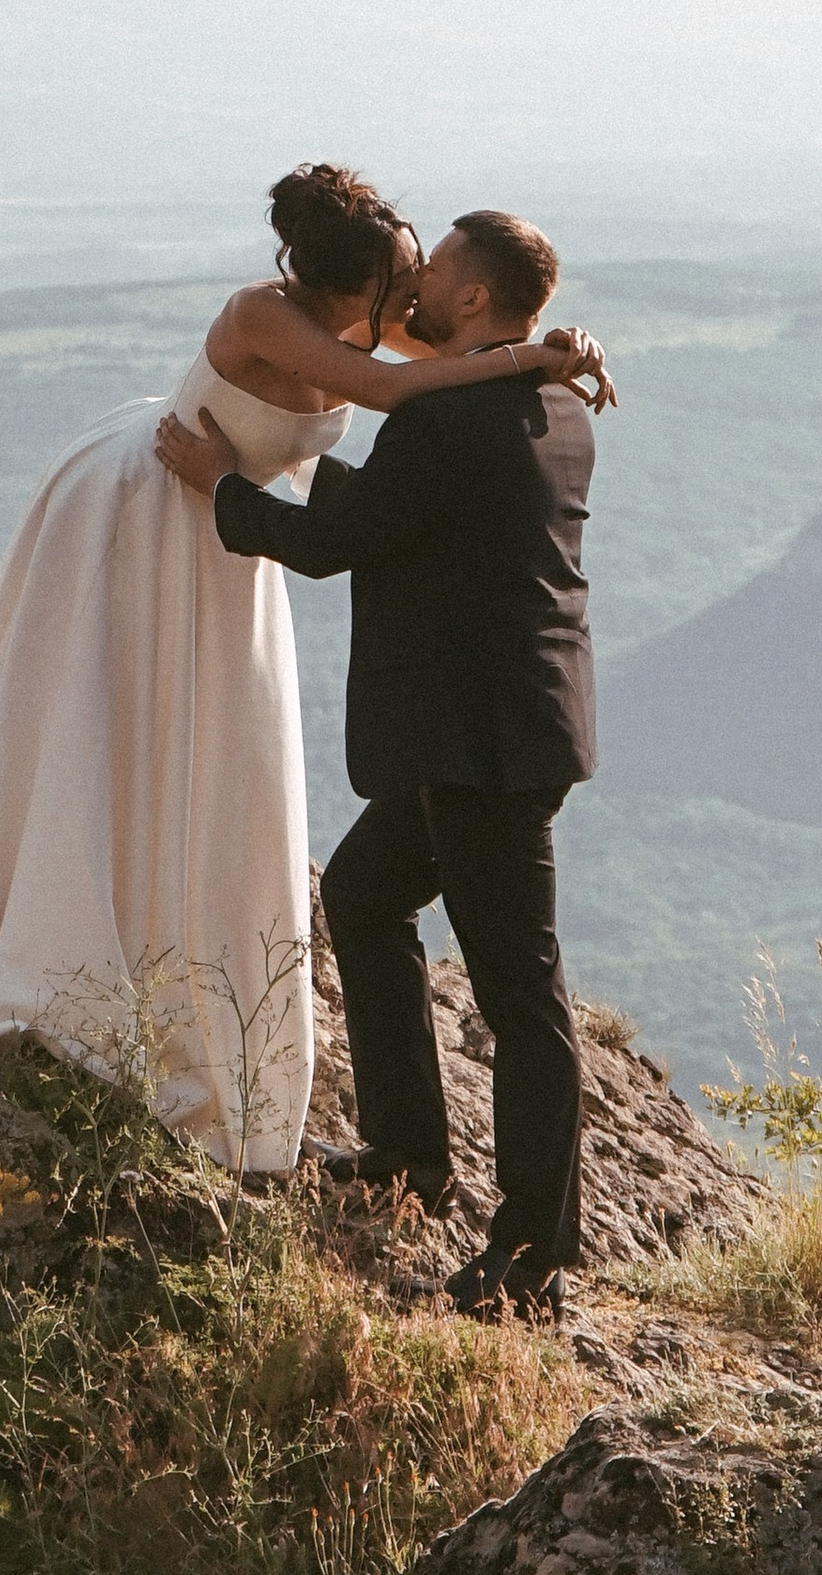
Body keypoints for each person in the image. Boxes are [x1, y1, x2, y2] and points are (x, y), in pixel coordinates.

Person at [0, 166, 607, 1173]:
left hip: (226, 539)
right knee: (101, 732)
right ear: (362, 282)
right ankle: (70, 924)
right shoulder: (271, 317)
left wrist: (545, 351)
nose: (413, 297)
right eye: (403, 277)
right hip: (149, 509)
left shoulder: (385, 324)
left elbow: (438, 360)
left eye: (427, 275)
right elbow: (397, 385)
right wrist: (538, 356)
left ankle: (206, 977)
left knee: (211, 767)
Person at [154, 208, 602, 1316]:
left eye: (440, 266)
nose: (422, 278)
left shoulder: (443, 423)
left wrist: (221, 482)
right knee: (360, 897)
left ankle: (538, 1254)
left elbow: (327, 548)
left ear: (475, 304)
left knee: (522, 996)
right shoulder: (553, 403)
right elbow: (435, 526)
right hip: (508, 725)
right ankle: (408, 1156)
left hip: (479, 746)